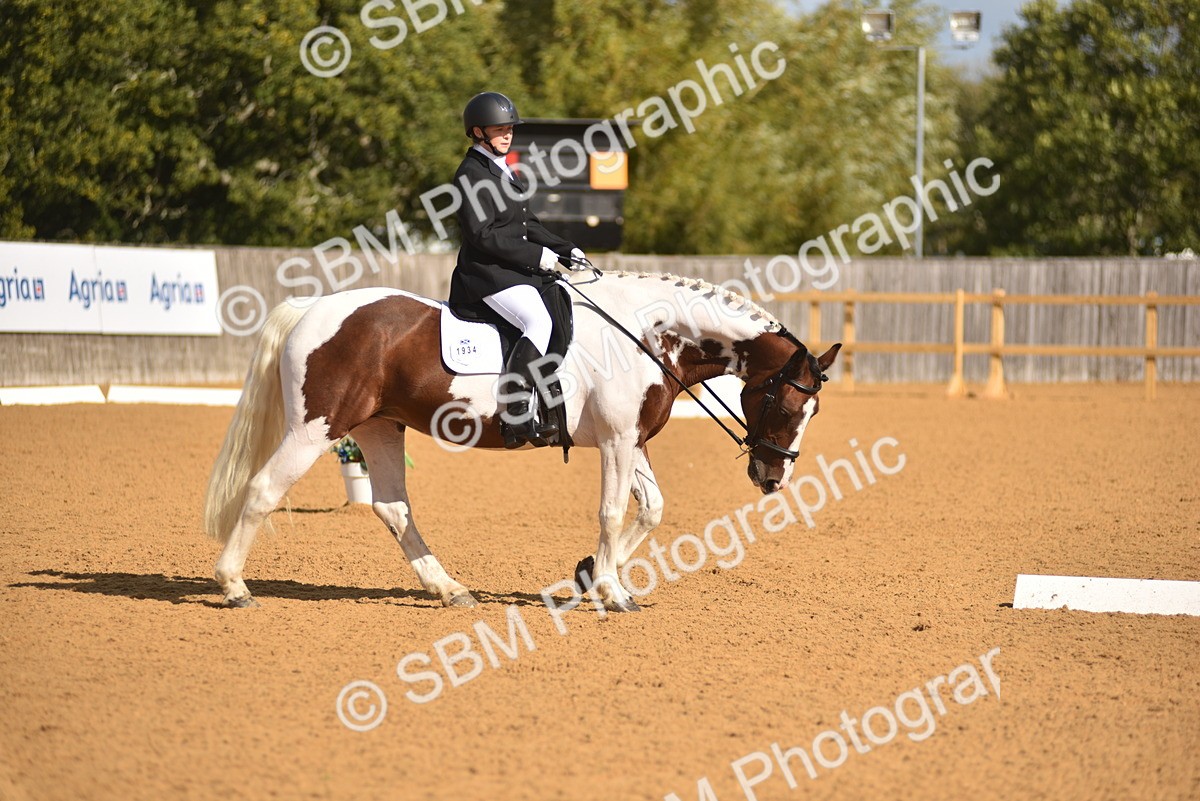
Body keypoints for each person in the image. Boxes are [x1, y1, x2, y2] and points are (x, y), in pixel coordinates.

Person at [448, 91, 588, 449]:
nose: (507, 134)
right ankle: (515, 409)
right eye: (499, 129)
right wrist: (536, 256)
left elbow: (528, 225)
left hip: (512, 270)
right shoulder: (470, 174)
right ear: (478, 132)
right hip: (486, 275)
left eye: (510, 128)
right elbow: (482, 236)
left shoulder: (500, 169)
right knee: (537, 321)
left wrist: (564, 248)